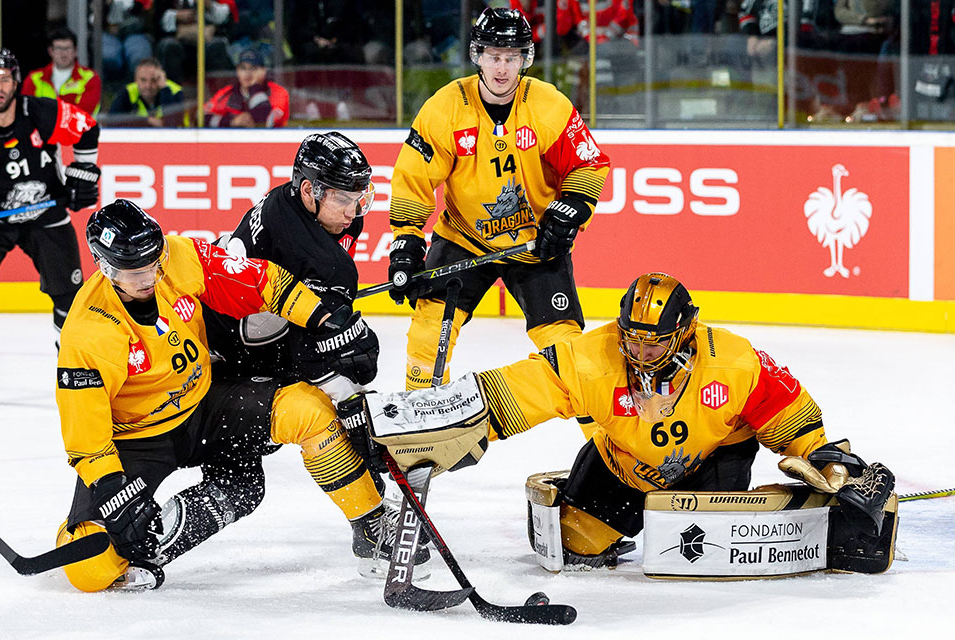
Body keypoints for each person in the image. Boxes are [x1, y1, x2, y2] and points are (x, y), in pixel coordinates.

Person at [348, 272, 897, 572]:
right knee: (575, 545)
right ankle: (585, 504)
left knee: (710, 560)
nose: (641, 348)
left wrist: (835, 467)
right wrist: (427, 427)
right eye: (633, 335)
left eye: (655, 338)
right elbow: (513, 393)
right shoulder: (592, 357)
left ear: (683, 331)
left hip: (710, 470)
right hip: (622, 466)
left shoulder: (733, 359)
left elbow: (793, 419)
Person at [54, 199, 416, 592]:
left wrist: (325, 319)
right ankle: (150, 536)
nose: (150, 276)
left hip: (205, 405)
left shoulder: (177, 255)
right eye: (135, 271)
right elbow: (85, 439)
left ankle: (371, 524)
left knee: (305, 410)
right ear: (104, 267)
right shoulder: (87, 333)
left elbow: (261, 283)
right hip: (138, 439)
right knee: (89, 568)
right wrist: (114, 491)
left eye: (153, 262)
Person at [387, 8, 610, 441]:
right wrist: (406, 243)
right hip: (464, 239)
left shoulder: (548, 104)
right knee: (430, 328)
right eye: (493, 55)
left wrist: (572, 207)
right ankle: (418, 433)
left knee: (566, 348)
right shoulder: (445, 108)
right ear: (477, 55)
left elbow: (587, 164)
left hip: (535, 243)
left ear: (525, 58)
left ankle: (605, 452)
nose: (502, 67)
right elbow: (413, 178)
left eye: (512, 56)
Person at [205, 131, 376, 386]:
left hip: (212, 306)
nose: (352, 212)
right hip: (225, 338)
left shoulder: (289, 198)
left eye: (357, 198)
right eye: (342, 199)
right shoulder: (308, 251)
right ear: (309, 190)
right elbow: (307, 347)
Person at [0, 49, 100, 343]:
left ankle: (70, 358)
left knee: (70, 297)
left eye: (4, 79)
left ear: (16, 82)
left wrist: (83, 170)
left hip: (47, 215)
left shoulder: (40, 112)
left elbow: (87, 128)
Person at [21, 26, 101, 116]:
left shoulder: (89, 78)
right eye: (59, 48)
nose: (63, 53)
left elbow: (83, 114)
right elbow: (27, 112)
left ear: (75, 51)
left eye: (67, 48)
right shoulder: (34, 79)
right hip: (42, 130)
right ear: (51, 51)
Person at [204, 48, 289, 128]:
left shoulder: (278, 92)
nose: (248, 73)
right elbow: (202, 116)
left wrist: (254, 87)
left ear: (263, 71)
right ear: (237, 71)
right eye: (243, 68)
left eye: (253, 68)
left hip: (271, 141)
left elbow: (266, 121)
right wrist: (233, 121)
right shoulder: (228, 92)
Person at [109, 57, 188, 127]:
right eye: (143, 80)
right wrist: (148, 120)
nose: (148, 86)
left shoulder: (175, 91)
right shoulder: (128, 91)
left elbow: (172, 125)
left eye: (154, 80)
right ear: (136, 80)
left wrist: (164, 89)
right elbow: (111, 121)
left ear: (161, 79)